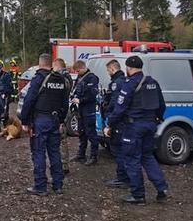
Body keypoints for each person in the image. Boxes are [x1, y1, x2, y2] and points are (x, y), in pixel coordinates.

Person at [104, 55, 169, 204]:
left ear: (128, 67)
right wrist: (157, 119)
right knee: (147, 156)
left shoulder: (129, 84)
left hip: (134, 127)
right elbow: (161, 105)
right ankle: (162, 188)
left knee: (132, 160)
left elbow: (119, 109)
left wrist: (110, 125)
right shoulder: (152, 82)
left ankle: (138, 195)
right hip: (150, 125)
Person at [20, 53, 70, 196]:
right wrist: (61, 120)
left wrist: (24, 121)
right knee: (55, 152)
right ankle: (58, 184)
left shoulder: (39, 78)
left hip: (41, 120)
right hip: (55, 120)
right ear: (51, 63)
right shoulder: (61, 80)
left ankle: (40, 186)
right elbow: (65, 103)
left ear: (40, 63)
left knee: (38, 152)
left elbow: (29, 100)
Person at [103, 59, 128, 188]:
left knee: (118, 150)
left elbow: (114, 104)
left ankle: (122, 178)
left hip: (118, 122)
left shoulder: (116, 84)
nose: (108, 73)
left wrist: (109, 121)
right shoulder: (125, 81)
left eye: (108, 70)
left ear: (113, 69)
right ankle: (125, 176)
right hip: (124, 121)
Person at [71, 60, 100, 166]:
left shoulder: (92, 78)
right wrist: (73, 97)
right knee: (81, 132)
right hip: (80, 110)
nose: (77, 73)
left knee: (91, 133)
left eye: (78, 70)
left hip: (89, 109)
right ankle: (81, 154)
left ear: (83, 68)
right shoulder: (79, 78)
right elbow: (75, 90)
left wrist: (81, 100)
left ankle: (94, 156)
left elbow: (92, 95)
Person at [52, 58, 73, 175]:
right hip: (63, 110)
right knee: (62, 139)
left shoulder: (62, 78)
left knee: (60, 139)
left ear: (57, 66)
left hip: (60, 112)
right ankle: (64, 164)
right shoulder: (67, 77)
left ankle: (63, 164)